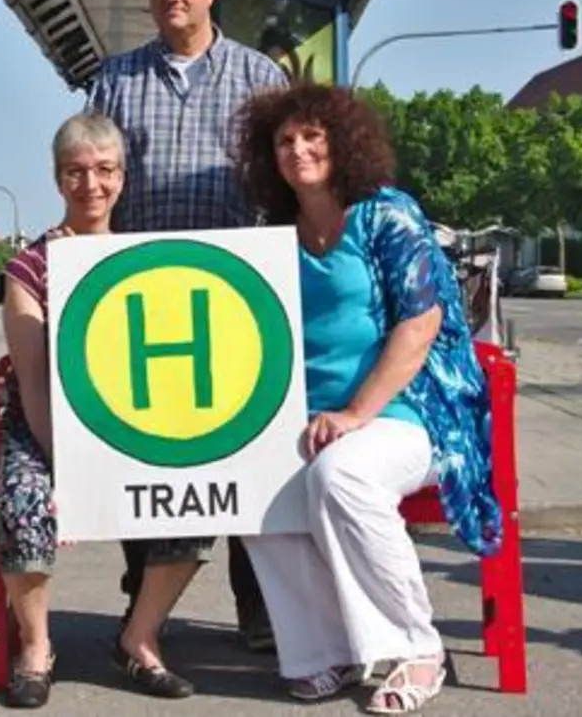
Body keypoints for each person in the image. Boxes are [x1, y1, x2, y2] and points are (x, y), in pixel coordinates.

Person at [231, 84, 503, 713]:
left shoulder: (388, 215)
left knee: (341, 476)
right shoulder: (273, 232)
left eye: (311, 136)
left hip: (408, 411)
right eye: (284, 141)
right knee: (244, 482)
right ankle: (326, 651)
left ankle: (418, 647)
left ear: (341, 142)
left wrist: (358, 413)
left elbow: (421, 323)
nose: (298, 149)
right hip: (307, 414)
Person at [88, 0, 288, 654]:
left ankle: (258, 605)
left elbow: (283, 181)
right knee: (147, 459)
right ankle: (144, 606)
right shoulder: (114, 80)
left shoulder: (260, 76)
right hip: (144, 298)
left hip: (236, 299)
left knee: (248, 456)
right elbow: (99, 176)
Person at [0, 111, 204, 708]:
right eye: (76, 172)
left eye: (105, 170)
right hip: (48, 429)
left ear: (123, 176)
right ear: (58, 179)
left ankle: (139, 639)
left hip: (131, 426)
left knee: (206, 490)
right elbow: (32, 386)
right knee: (23, 500)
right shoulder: (29, 270)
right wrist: (72, 468)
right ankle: (35, 648)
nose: (91, 185)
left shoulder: (145, 258)